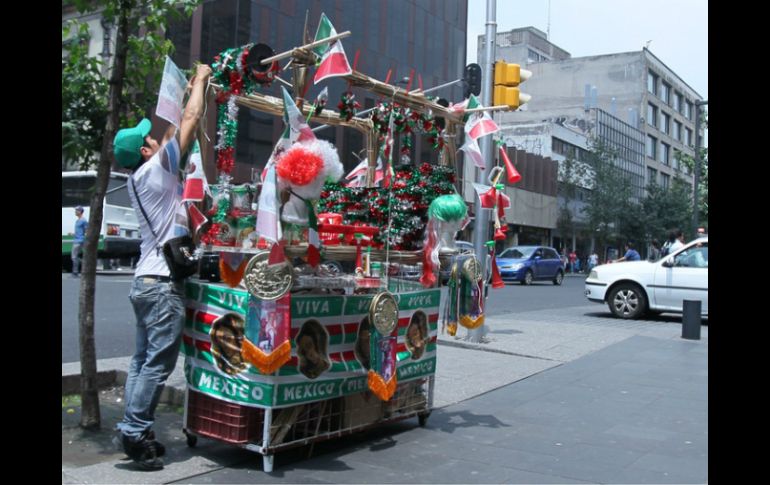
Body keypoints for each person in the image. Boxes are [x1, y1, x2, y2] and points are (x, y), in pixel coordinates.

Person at [112, 63, 212, 470]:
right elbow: (187, 121)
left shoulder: (141, 177)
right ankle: (136, 432)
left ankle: (131, 426)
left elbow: (174, 130)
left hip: (143, 281)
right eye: (148, 138)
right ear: (144, 151)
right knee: (156, 364)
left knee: (140, 361)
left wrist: (188, 89)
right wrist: (203, 79)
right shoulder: (158, 171)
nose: (155, 137)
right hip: (160, 284)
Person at [71, 205, 87, 277]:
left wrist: (84, 238)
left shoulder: (83, 220)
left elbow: (86, 230)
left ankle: (76, 272)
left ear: (80, 212)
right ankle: (79, 270)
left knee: (74, 257)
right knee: (75, 257)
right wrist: (73, 234)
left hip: (79, 241)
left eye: (77, 210)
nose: (75, 212)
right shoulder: (78, 220)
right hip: (77, 240)